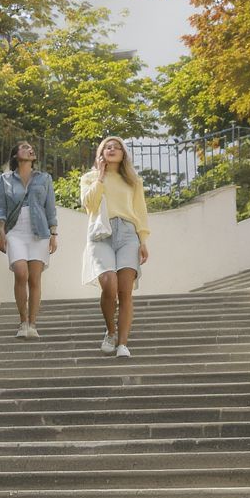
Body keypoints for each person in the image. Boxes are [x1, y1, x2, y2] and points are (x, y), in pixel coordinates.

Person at [80, 135, 151, 358]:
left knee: (125, 291)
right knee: (109, 284)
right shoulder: (89, 178)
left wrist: (143, 241)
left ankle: (122, 343)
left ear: (123, 155)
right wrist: (100, 177)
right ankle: (111, 331)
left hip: (129, 235)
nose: (112, 149)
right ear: (101, 153)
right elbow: (89, 205)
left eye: (117, 147)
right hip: (101, 234)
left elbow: (140, 212)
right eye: (107, 147)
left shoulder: (133, 181)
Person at [0, 141, 59, 339]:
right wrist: (1, 232)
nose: (30, 149)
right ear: (15, 155)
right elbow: (1, 209)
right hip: (15, 231)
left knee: (34, 278)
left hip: (39, 232)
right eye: (24, 147)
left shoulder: (44, 178)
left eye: (31, 147)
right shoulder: (5, 179)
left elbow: (50, 208)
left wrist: (53, 234)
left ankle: (32, 323)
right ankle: (22, 322)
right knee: (21, 273)